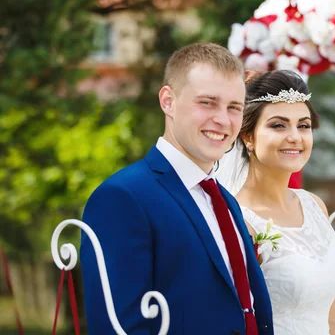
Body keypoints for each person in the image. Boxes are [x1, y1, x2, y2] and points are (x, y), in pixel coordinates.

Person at [80, 43, 273, 334]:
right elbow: (118, 327)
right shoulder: (123, 198)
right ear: (168, 101)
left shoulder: (225, 200)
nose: (223, 119)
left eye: (234, 107)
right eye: (207, 103)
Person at [221, 70, 335, 335]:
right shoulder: (236, 220)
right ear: (247, 136)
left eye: (303, 125)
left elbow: (332, 316)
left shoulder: (315, 205)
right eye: (278, 125)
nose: (295, 137)